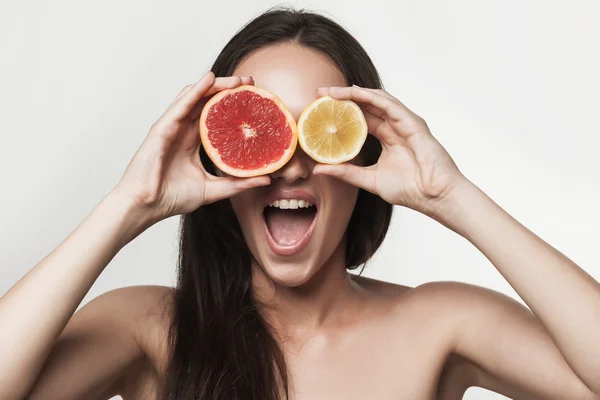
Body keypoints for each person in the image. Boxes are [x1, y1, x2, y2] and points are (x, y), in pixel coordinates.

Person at [1, 7, 599, 400]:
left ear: (362, 155)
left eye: (315, 133)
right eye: (261, 136)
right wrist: (129, 204)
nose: (289, 166)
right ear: (217, 155)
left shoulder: (441, 324)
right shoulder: (150, 328)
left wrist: (455, 196)